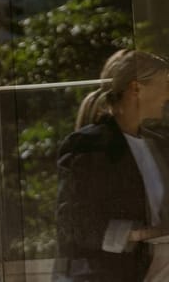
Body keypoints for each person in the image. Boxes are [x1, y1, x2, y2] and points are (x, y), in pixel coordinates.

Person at [54, 49, 169, 281]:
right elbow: (73, 221)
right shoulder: (88, 145)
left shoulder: (158, 144)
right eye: (165, 85)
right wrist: (139, 234)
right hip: (111, 273)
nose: (168, 94)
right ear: (136, 89)